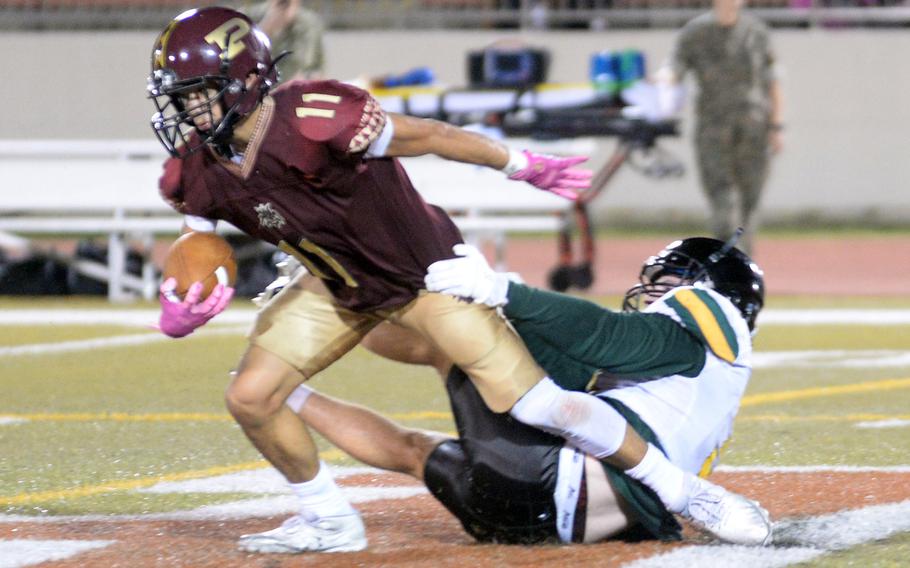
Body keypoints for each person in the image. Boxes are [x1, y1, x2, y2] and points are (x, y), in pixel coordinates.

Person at [147, 7, 761, 554]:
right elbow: (199, 236)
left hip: (425, 275)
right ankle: (329, 520)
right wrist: (185, 288)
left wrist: (522, 164)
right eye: (180, 97)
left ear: (245, 81)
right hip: (337, 288)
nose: (187, 111)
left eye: (198, 94)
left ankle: (680, 490)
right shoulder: (194, 168)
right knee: (250, 395)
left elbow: (431, 136)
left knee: (537, 403)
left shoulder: (316, 116)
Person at [281, 236, 771, 545]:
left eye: (666, 282)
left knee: (452, 344)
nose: (649, 293)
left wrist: (506, 293)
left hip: (542, 478)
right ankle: (286, 392)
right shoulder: (697, 387)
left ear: (705, 289)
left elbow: (608, 337)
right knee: (418, 444)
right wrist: (516, 311)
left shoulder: (703, 324)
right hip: (560, 518)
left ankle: (302, 354)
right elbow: (560, 360)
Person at [657, 0, 783, 254]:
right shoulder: (696, 32)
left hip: (753, 126)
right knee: (722, 200)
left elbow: (772, 81)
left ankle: (742, 264)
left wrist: (776, 126)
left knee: (750, 200)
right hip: (713, 128)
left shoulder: (756, 31)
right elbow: (675, 65)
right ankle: (730, 258)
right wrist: (665, 80)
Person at [241, 0, 325, 80]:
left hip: (295, 91)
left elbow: (317, 66)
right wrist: (267, 28)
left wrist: (310, 79)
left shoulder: (310, 24)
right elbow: (239, 61)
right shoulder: (247, 16)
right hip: (259, 91)